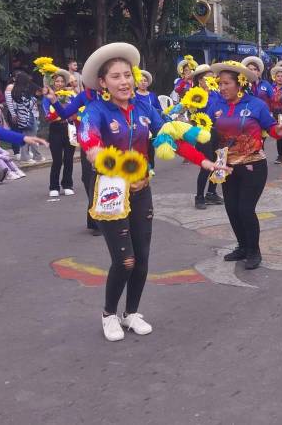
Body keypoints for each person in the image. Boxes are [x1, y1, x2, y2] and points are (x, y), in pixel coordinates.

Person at [75, 43, 225, 342]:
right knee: (125, 260)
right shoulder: (94, 112)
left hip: (143, 189)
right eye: (115, 77)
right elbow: (90, 145)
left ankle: (131, 313)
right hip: (111, 193)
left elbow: (171, 137)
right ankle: (109, 314)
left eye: (127, 75)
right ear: (103, 83)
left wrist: (205, 161)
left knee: (142, 258)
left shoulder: (144, 108)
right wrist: (105, 159)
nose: (124, 81)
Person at [205, 61, 282, 270]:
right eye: (220, 83)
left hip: (253, 165)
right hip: (226, 166)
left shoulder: (256, 105)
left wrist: (279, 130)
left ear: (239, 83)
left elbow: (270, 128)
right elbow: (207, 128)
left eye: (226, 83)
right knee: (231, 209)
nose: (222, 88)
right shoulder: (216, 104)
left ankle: (254, 251)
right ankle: (242, 247)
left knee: (245, 209)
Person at [47, 79, 103, 235]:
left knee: (105, 178)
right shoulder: (85, 96)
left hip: (110, 141)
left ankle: (105, 219)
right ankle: (95, 219)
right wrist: (54, 100)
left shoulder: (114, 93)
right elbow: (65, 113)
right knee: (88, 178)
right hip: (89, 143)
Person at [190, 64, 224, 210]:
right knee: (206, 165)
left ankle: (212, 192)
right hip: (204, 133)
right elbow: (197, 116)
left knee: (219, 163)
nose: (210, 79)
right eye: (206, 77)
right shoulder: (195, 95)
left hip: (219, 132)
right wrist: (213, 115)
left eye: (211, 76)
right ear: (199, 80)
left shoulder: (217, 93)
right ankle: (199, 196)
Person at [42, 69, 76, 197]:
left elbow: (76, 110)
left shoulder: (70, 95)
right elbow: (47, 113)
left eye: (62, 81)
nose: (60, 83)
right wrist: (56, 115)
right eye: (57, 81)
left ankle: (67, 184)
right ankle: (54, 186)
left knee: (68, 158)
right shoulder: (48, 96)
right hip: (55, 128)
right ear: (53, 83)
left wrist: (71, 115)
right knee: (57, 159)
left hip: (69, 128)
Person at [11, 72, 44, 162]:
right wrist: (34, 97)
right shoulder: (23, 92)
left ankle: (33, 156)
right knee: (31, 136)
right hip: (28, 116)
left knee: (26, 136)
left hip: (21, 116)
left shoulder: (14, 91)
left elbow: (15, 106)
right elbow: (28, 105)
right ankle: (30, 156)